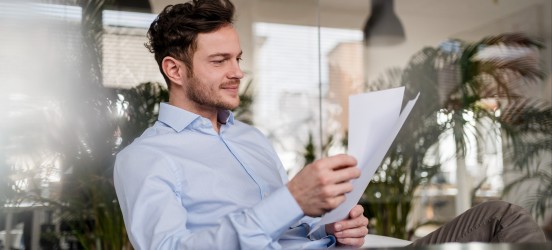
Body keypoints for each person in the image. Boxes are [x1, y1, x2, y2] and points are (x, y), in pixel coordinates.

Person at [113, 0, 546, 249]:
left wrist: (333, 227)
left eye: (238, 58)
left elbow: (288, 229)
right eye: (220, 60)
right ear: (175, 69)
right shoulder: (145, 158)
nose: (237, 71)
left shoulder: (250, 140)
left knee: (499, 216)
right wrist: (291, 199)